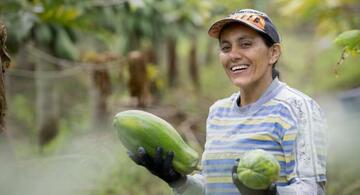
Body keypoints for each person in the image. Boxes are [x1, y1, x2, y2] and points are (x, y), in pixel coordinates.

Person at [127, 8, 327, 195]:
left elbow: (312, 189)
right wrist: (176, 179)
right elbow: (212, 186)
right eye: (226, 47)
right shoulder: (218, 112)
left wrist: (271, 193)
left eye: (246, 44)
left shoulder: (297, 108)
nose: (234, 55)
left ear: (273, 53)